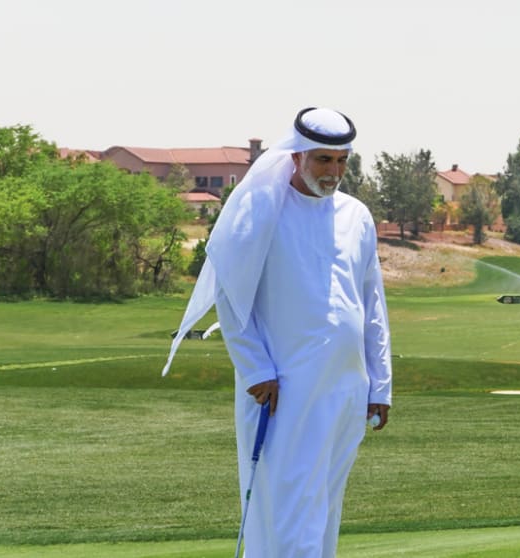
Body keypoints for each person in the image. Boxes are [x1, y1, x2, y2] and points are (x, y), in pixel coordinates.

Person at [162, 107, 393, 557]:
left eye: (342, 161)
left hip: (346, 390)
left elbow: (372, 304)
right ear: (296, 156)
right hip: (283, 390)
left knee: (323, 513)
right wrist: (255, 369)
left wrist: (380, 384)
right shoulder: (262, 210)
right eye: (323, 160)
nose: (334, 171)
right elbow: (231, 296)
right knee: (287, 516)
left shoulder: (357, 215)